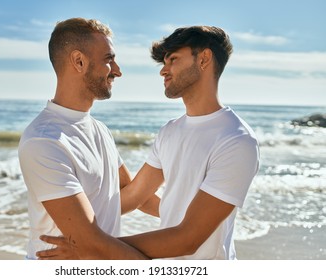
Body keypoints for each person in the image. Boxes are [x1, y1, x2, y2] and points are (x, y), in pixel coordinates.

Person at [37, 25, 260, 260]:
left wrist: (92, 247)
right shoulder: (170, 131)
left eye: (173, 59)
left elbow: (188, 239)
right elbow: (136, 196)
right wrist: (70, 218)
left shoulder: (236, 140)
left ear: (204, 59)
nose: (163, 71)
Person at [18, 17, 154, 260]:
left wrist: (190, 219)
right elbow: (90, 242)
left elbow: (131, 195)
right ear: (79, 61)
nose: (118, 71)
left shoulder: (100, 129)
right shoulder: (43, 141)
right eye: (109, 60)